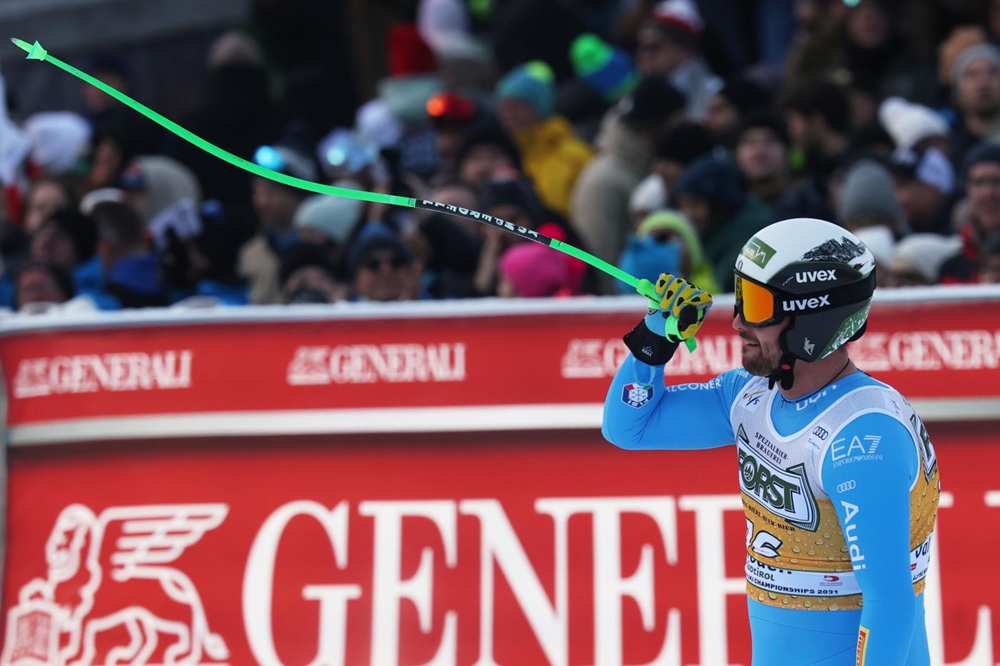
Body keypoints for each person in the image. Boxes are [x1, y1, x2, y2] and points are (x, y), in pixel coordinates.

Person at [602, 217, 940, 665]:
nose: (738, 320)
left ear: (814, 320)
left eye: (759, 305)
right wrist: (655, 336)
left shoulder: (862, 437)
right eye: (741, 295)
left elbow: (891, 605)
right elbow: (628, 427)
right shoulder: (749, 395)